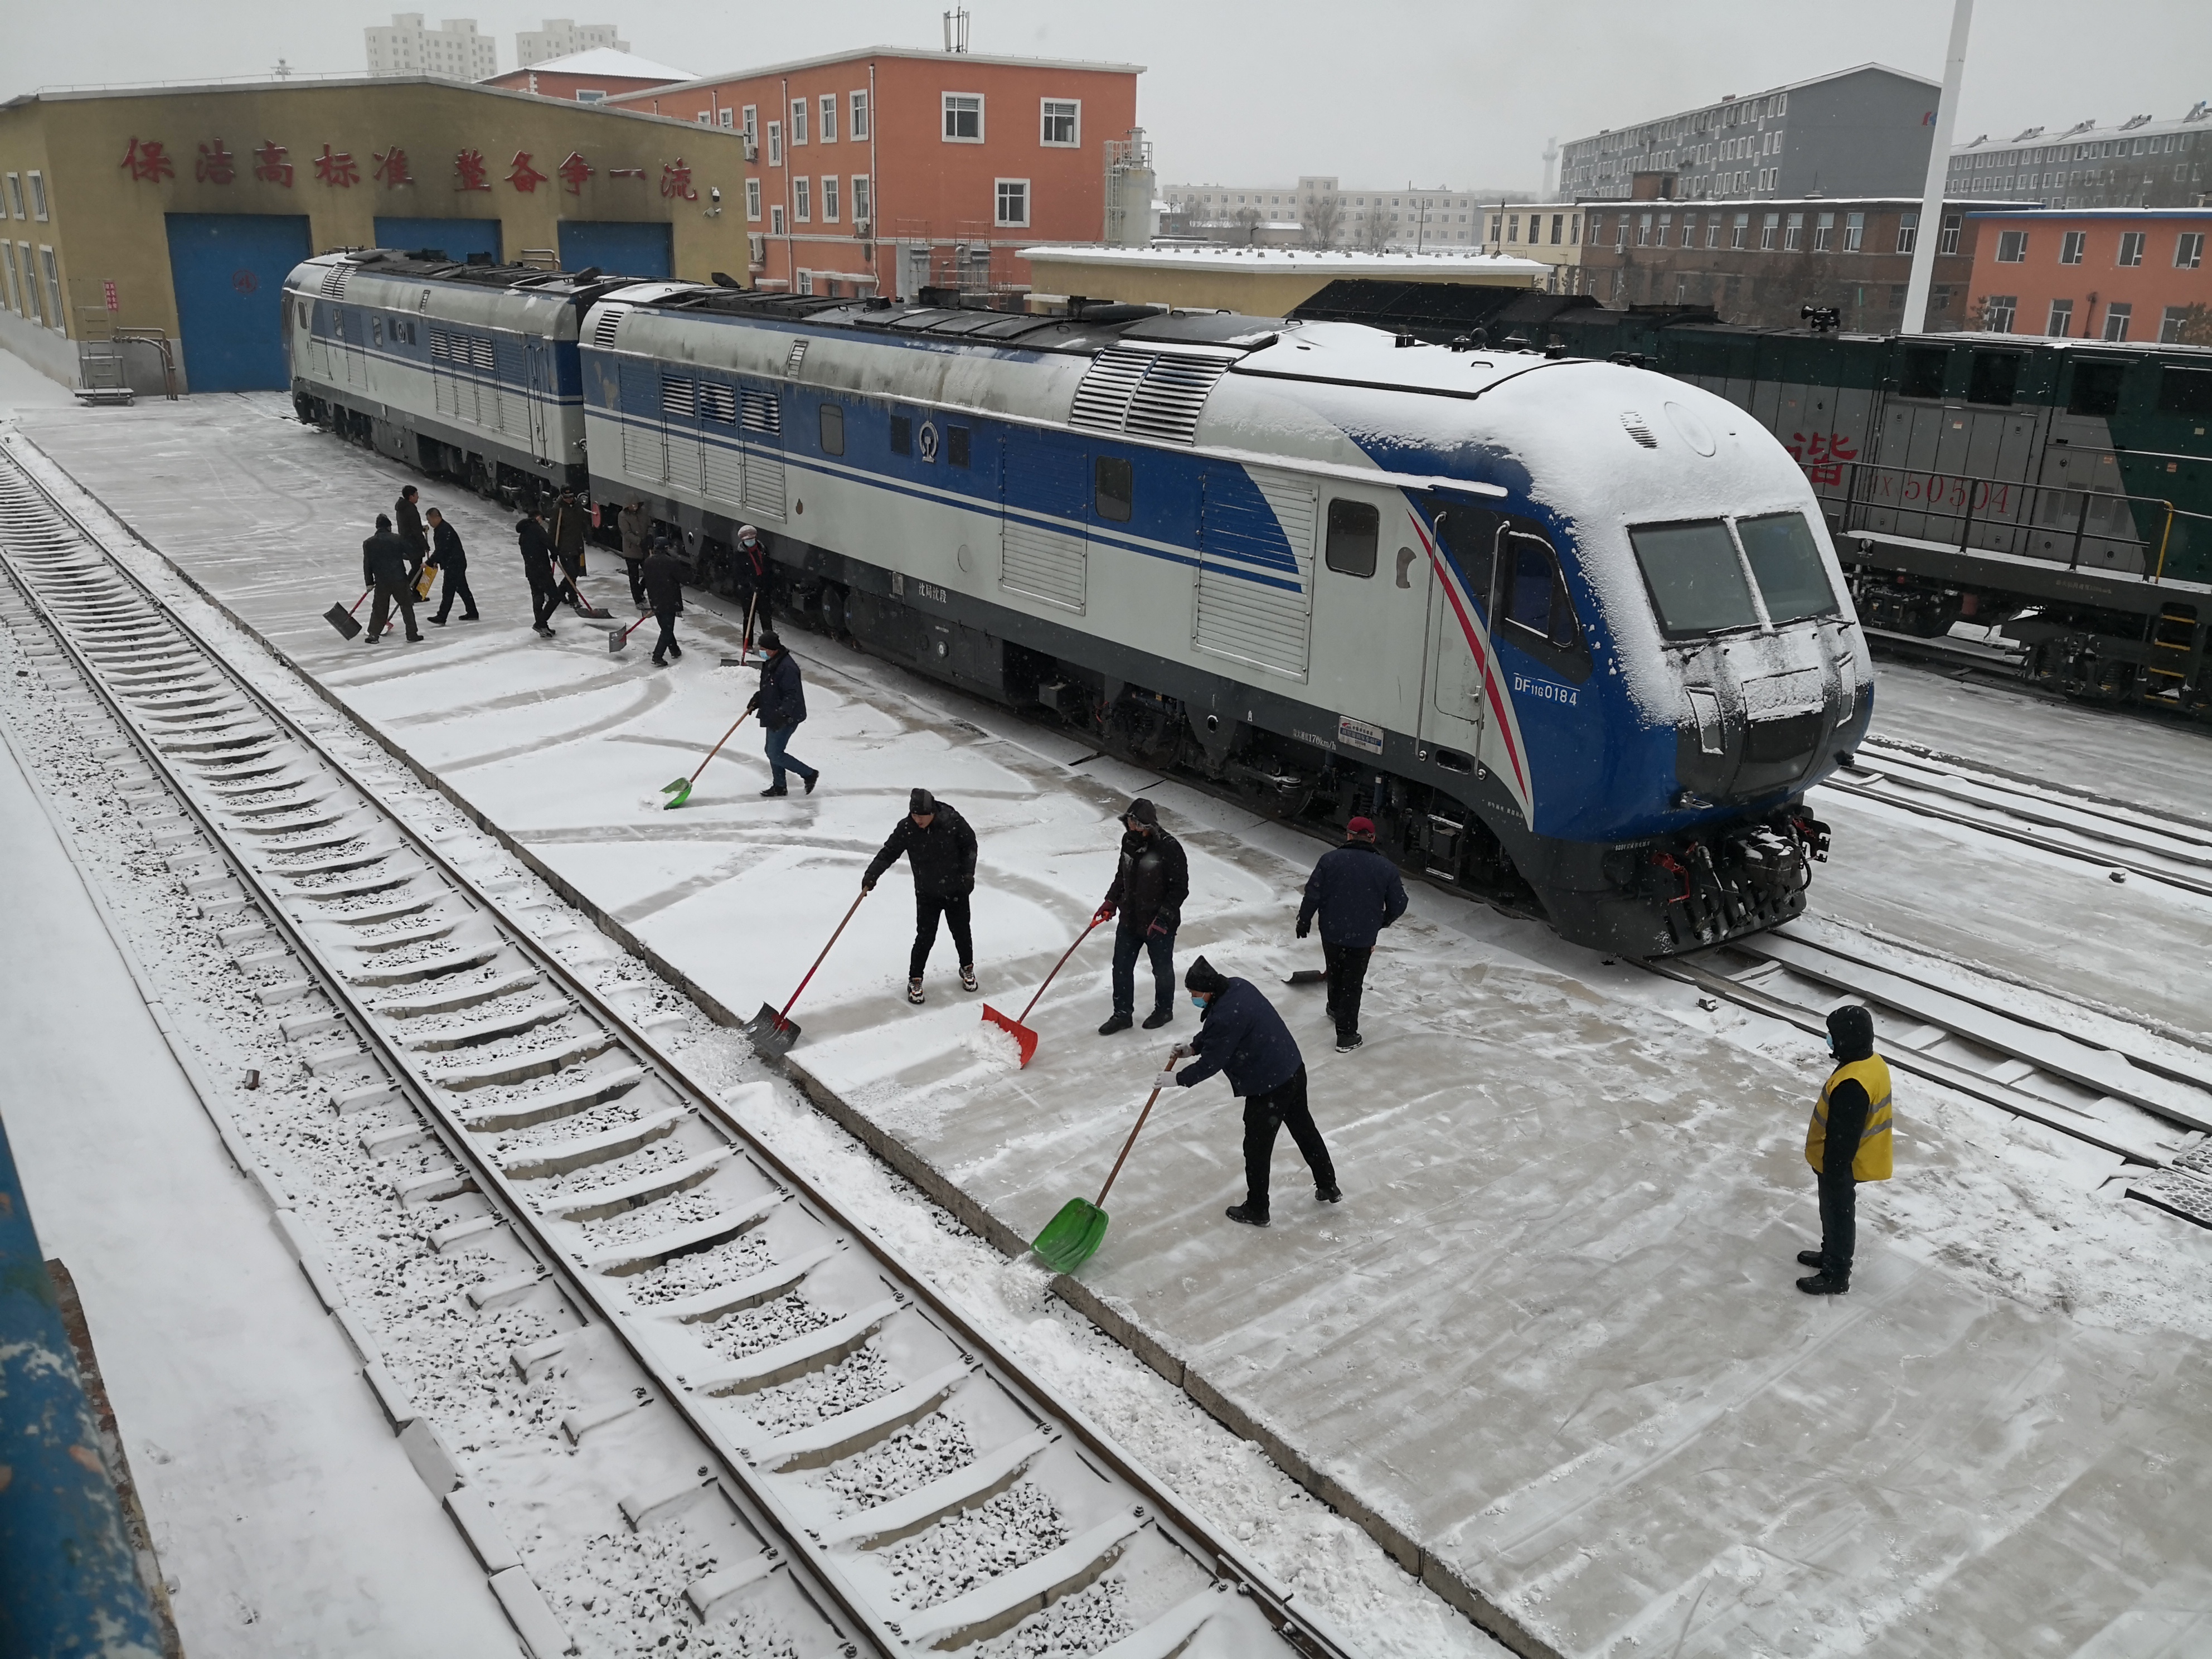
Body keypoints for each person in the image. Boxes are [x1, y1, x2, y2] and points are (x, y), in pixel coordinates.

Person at [1166, 956, 1338, 1226]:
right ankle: (1328, 1185)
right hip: (1292, 1069)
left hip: (1268, 1086)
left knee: (1257, 1149)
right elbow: (1218, 1031)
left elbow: (1213, 1061)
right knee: (1304, 1128)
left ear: (1209, 990)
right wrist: (1194, 1047)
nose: (1193, 998)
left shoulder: (1226, 1014)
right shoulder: (1238, 986)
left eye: (1195, 993)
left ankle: (1258, 1209)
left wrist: (1178, 1079)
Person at [1798, 1004, 1893, 1295]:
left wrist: (1834, 1171)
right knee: (1833, 1213)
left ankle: (1836, 1275)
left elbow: (1843, 1137)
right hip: (1850, 1158)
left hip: (1843, 1163)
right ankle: (1830, 1255)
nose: (1829, 1039)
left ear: (1845, 1040)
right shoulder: (1870, 1062)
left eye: (1833, 1035)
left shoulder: (1853, 1083)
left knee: (1838, 1215)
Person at [1297, 815, 1408, 1053]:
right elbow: (1399, 903)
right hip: (1363, 936)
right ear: (1372, 839)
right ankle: (1347, 1036)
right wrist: (1382, 922)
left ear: (1348, 835)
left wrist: (1304, 920)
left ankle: (1335, 1008)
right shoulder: (1386, 868)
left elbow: (1313, 893)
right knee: (1353, 983)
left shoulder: (1329, 860)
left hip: (1332, 930)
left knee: (1335, 969)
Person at [862, 788, 979, 1003]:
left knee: (962, 932)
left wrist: (968, 874)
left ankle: (967, 967)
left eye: (922, 816)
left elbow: (969, 844)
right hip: (927, 893)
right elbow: (888, 852)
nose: (918, 820)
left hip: (956, 889)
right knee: (925, 937)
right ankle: (915, 979)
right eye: (914, 815)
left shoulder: (951, 820)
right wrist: (872, 875)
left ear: (932, 812)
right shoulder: (907, 828)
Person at [1094, 798, 1189, 1036]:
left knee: (1162, 969)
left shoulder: (1169, 848)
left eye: (1138, 824)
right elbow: (1122, 875)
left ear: (1149, 825)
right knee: (1121, 967)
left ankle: (1164, 1010)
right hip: (1130, 919)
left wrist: (1163, 919)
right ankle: (1122, 1015)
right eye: (1130, 823)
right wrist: (1111, 900)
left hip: (1158, 924)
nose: (1133, 828)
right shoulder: (1128, 842)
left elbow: (1180, 889)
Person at [746, 632, 817, 797]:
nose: (761, 651)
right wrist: (759, 698)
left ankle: (809, 774)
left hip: (787, 717)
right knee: (772, 750)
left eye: (763, 648)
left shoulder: (787, 667)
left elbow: (792, 695)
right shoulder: (773, 662)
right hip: (774, 713)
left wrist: (782, 714)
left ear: (772, 649)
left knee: (775, 753)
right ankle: (779, 786)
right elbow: (771, 687)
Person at [360, 513, 422, 644]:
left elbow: (367, 564)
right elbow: (412, 554)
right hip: (399, 579)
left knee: (379, 609)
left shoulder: (369, 543)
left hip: (382, 581)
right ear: (389, 527)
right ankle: (412, 634)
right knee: (406, 606)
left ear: (377, 527)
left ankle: (373, 636)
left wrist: (369, 582)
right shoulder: (397, 539)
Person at [423, 508, 478, 624]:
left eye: (430, 520)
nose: (429, 523)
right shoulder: (442, 529)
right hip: (455, 562)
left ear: (436, 517)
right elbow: (443, 550)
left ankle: (442, 616)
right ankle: (472, 612)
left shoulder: (444, 530)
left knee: (448, 590)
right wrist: (436, 561)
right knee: (462, 589)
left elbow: (442, 550)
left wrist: (429, 562)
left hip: (454, 564)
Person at [516, 506, 562, 636]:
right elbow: (548, 542)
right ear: (538, 517)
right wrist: (555, 553)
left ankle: (542, 627)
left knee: (538, 598)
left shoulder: (524, 532)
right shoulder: (536, 529)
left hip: (531, 570)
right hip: (542, 570)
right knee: (555, 597)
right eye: (542, 519)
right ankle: (541, 623)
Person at [642, 535, 686, 666]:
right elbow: (684, 579)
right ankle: (657, 656)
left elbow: (645, 580)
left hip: (655, 599)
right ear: (667, 548)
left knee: (665, 627)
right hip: (669, 600)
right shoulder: (672, 562)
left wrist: (639, 593)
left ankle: (674, 650)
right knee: (667, 630)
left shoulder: (648, 562)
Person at [733, 525, 769, 646]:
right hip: (748, 591)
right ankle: (748, 644)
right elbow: (738, 574)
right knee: (749, 618)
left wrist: (764, 584)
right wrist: (750, 585)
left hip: (762, 588)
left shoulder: (762, 550)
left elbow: (767, 569)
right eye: (747, 540)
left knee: (766, 617)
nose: (750, 542)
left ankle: (769, 644)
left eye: (752, 539)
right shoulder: (740, 555)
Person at [552, 487, 590, 585]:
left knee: (576, 572)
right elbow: (553, 530)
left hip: (577, 545)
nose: (569, 499)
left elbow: (583, 521)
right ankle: (568, 593)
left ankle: (562, 591)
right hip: (564, 547)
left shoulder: (577, 506)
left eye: (571, 497)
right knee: (571, 573)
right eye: (566, 497)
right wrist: (553, 549)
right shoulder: (558, 508)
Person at [618, 498, 649, 609]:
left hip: (644, 550)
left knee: (649, 573)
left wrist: (649, 536)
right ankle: (637, 599)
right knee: (634, 577)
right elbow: (626, 533)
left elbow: (649, 526)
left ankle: (640, 591)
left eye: (636, 504)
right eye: (632, 505)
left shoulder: (643, 512)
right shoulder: (623, 516)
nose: (635, 507)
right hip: (631, 551)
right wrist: (639, 541)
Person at [394, 486, 429, 566]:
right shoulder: (410, 509)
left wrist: (421, 528)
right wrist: (425, 545)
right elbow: (416, 530)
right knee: (417, 568)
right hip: (413, 544)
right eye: (416, 495)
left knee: (416, 567)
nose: (418, 497)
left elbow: (409, 525)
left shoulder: (402, 508)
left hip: (406, 542)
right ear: (411, 497)